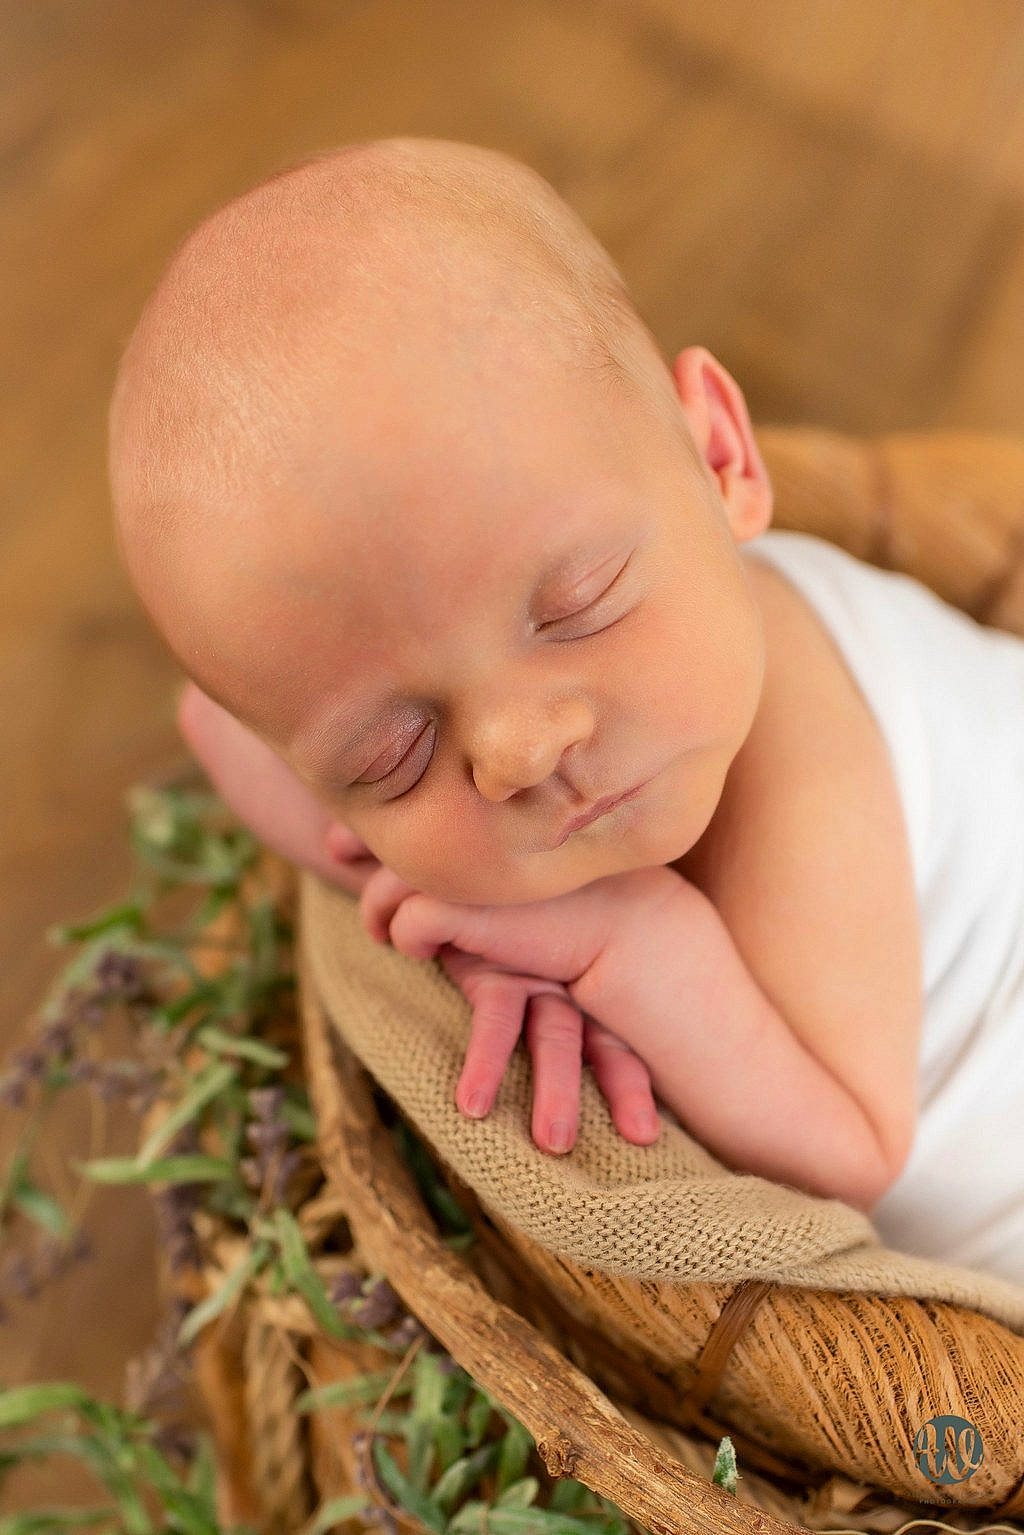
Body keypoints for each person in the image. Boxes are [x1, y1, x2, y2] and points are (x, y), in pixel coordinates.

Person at [108, 137, 1024, 1283]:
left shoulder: (813, 752)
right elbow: (215, 722)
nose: (517, 748)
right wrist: (433, 903)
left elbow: (852, 1148)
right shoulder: (611, 670)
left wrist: (628, 937)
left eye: (577, 606)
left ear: (720, 456)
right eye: (396, 754)